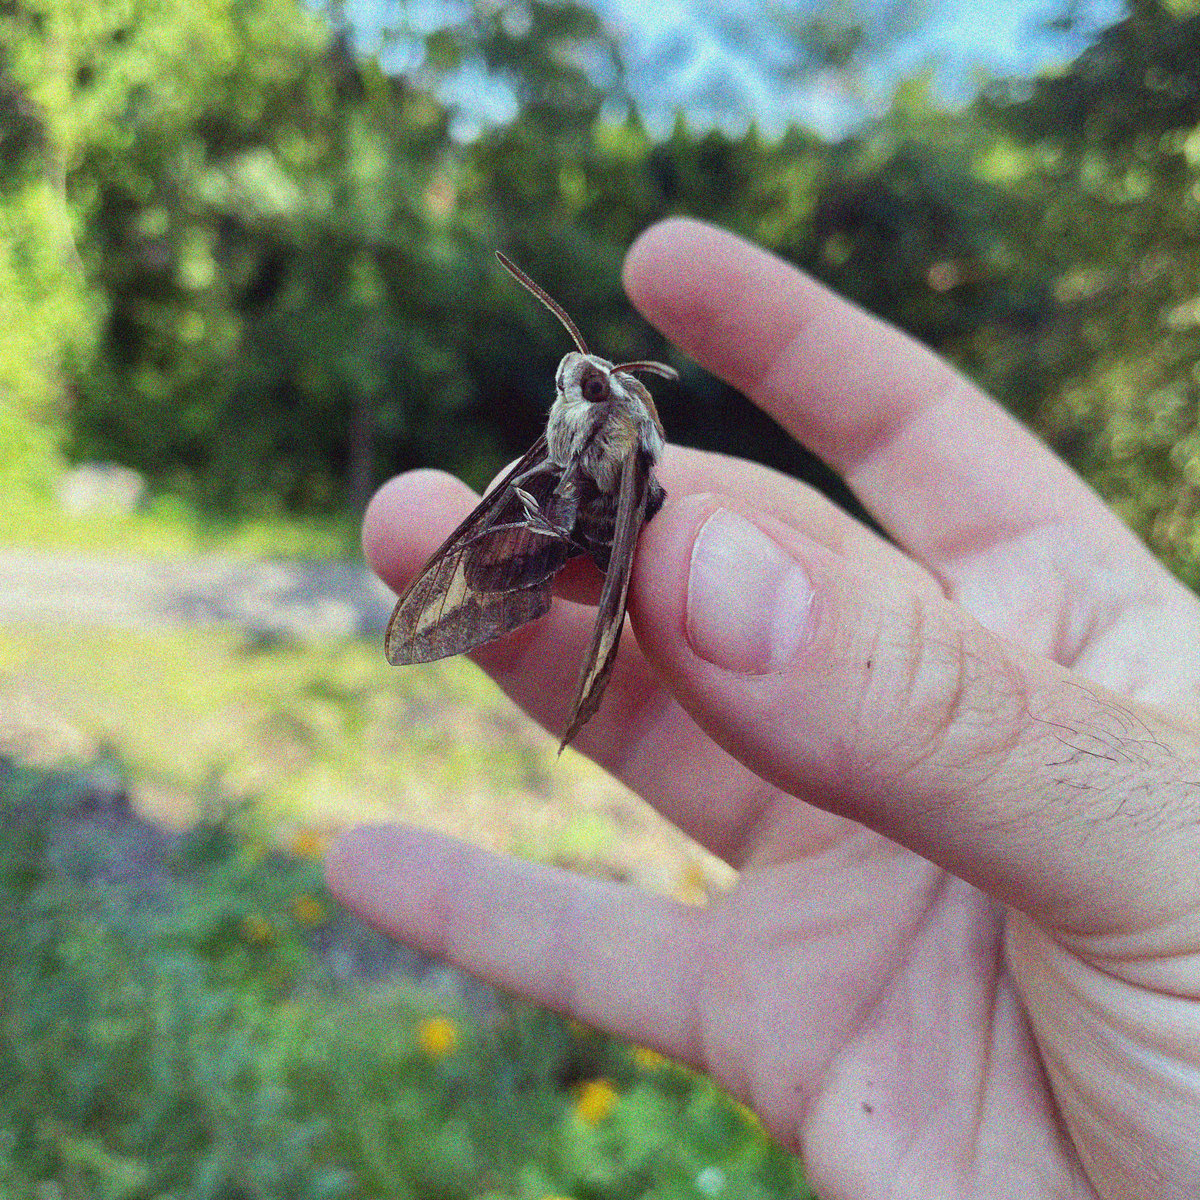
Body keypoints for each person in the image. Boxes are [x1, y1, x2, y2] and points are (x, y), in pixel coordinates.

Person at [326, 218, 1200, 1200]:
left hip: (624, 531)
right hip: (569, 519)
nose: (575, 391)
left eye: (592, 384)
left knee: (603, 570)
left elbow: (635, 485)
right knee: (473, 537)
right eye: (576, 384)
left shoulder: (627, 431)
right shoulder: (578, 424)